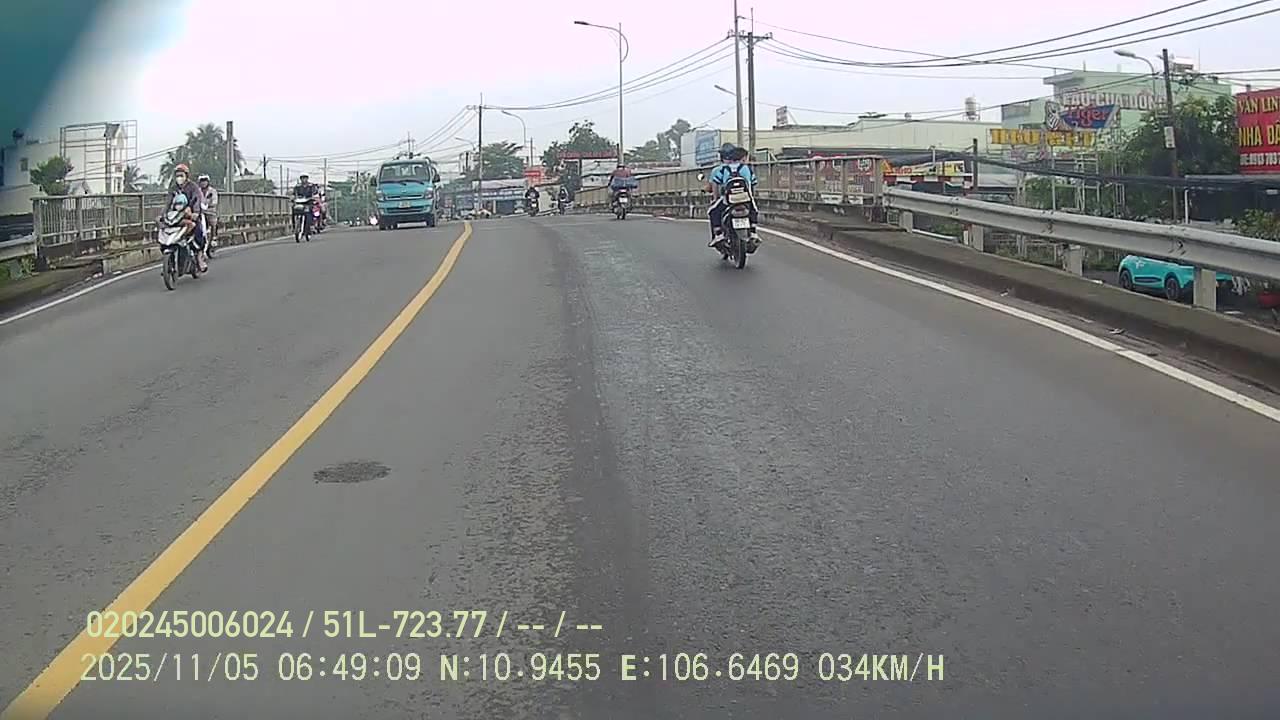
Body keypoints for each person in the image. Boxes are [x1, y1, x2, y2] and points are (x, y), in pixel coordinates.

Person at [706, 143, 760, 248]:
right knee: (754, 210)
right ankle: (753, 231)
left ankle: (718, 234)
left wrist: (715, 198)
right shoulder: (747, 169)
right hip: (745, 199)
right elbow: (753, 183)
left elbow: (715, 183)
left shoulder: (724, 169)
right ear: (743, 158)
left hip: (728, 200)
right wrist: (751, 196)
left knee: (713, 211)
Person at [170, 164, 208, 271]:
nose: (179, 178)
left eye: (181, 175)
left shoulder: (193, 187)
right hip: (176, 217)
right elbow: (168, 202)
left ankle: (200, 258)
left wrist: (195, 212)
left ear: (186, 176)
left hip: (191, 215)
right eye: (177, 175)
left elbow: (197, 200)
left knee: (198, 232)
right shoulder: (173, 188)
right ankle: (169, 263)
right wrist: (163, 215)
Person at [196, 174, 218, 251]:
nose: (203, 183)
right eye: (202, 181)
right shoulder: (197, 191)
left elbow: (215, 201)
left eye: (205, 181)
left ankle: (214, 238)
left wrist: (209, 205)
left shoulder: (212, 191)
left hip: (210, 211)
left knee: (213, 222)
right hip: (200, 211)